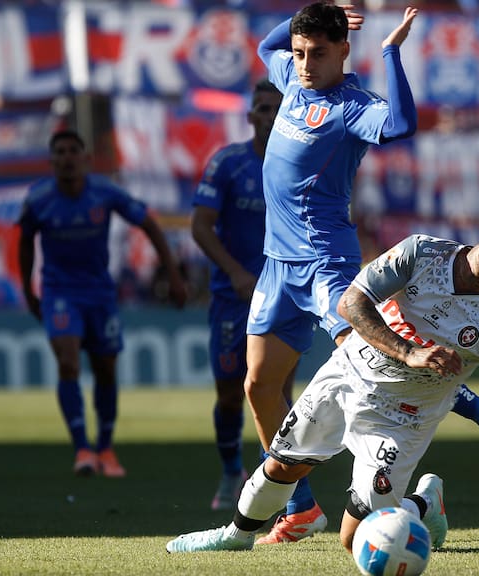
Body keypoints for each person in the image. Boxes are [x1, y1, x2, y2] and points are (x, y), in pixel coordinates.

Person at [165, 211, 479, 553]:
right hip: (348, 375)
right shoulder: (422, 252)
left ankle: (424, 504)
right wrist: (409, 351)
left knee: (356, 539)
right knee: (284, 466)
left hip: (405, 418)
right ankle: (235, 534)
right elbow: (350, 302)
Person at [241, 2, 419, 544]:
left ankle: (410, 490)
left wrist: (390, 52)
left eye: (318, 53)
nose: (304, 64)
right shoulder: (291, 80)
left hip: (323, 260)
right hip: (277, 265)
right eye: (300, 53)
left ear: (344, 50)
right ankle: (298, 508)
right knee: (259, 384)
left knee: (369, 370)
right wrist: (303, 10)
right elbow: (265, 48)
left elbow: (402, 124)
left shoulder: (352, 105)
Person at [17, 129, 188, 477]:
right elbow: (24, 240)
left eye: (72, 152)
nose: (66, 158)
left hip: (99, 293)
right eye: (59, 152)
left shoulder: (104, 192)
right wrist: (28, 290)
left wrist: (173, 276)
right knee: (68, 362)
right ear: (52, 162)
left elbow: (150, 224)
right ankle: (82, 449)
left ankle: (106, 448)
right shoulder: (38, 199)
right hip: (59, 292)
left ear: (85, 159)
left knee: (106, 368)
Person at [190, 79, 293, 510]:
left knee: (279, 389)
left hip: (282, 294)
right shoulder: (227, 163)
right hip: (234, 296)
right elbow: (200, 225)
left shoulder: (299, 164)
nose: (270, 115)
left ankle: (277, 485)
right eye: (263, 108)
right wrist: (234, 272)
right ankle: (233, 471)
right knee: (230, 391)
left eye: (277, 108)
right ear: (251, 116)